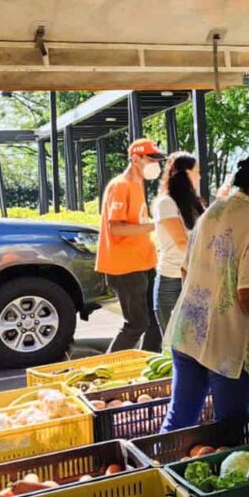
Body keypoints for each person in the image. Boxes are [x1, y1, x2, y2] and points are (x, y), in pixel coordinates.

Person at [161, 150, 249, 430]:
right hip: (228, 345)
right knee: (228, 430)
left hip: (188, 332)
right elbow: (248, 296)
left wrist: (206, 305)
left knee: (178, 422)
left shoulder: (214, 210)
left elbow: (186, 271)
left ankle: (159, 471)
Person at [96, 138, 165, 352]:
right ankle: (105, 372)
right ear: (135, 159)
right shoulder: (120, 186)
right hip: (125, 267)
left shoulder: (137, 184)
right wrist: (156, 226)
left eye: (157, 159)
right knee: (136, 324)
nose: (156, 164)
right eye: (151, 158)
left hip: (144, 263)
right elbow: (116, 228)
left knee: (155, 318)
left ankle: (148, 366)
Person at [152, 152, 205, 334]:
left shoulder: (194, 204)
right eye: (196, 171)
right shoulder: (165, 203)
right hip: (171, 281)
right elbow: (182, 241)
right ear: (184, 174)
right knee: (172, 343)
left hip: (195, 278)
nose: (199, 176)